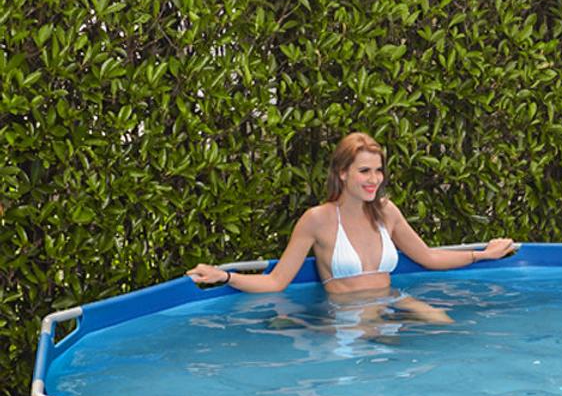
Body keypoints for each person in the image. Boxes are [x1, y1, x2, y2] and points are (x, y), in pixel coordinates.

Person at [187, 132, 515, 322]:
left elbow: (428, 257)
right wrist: (225, 276)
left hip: (393, 299)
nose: (374, 179)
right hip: (347, 313)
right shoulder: (317, 219)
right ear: (343, 173)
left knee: (447, 324)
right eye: (364, 171)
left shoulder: (386, 211)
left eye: (378, 170)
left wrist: (483, 255)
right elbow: (276, 281)